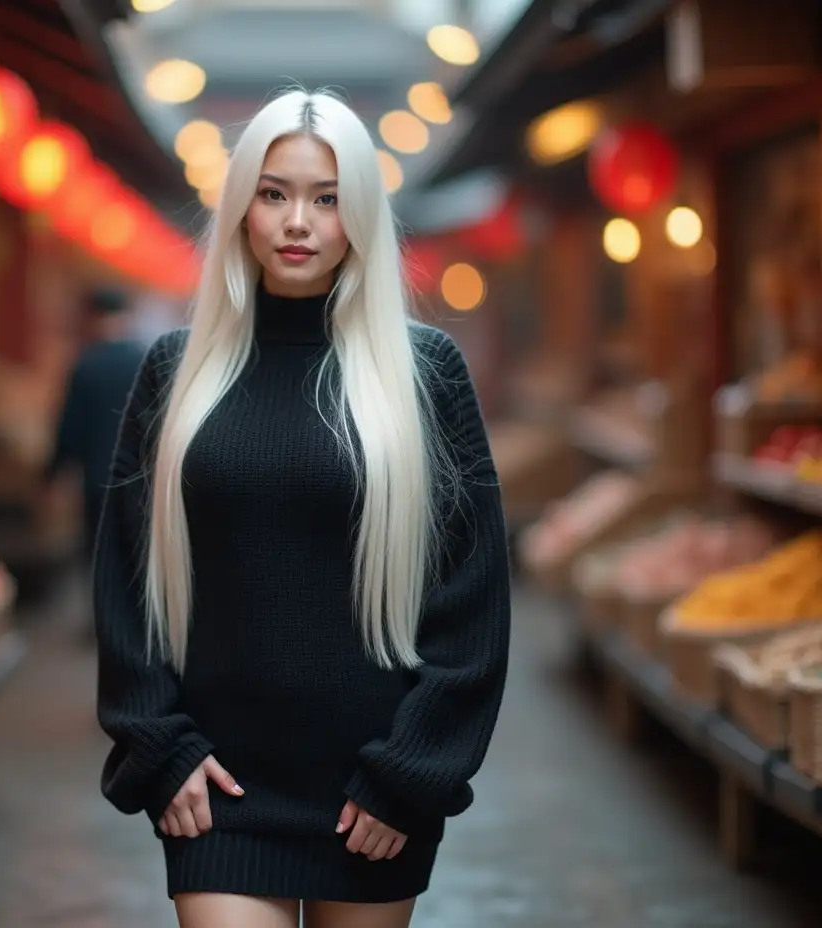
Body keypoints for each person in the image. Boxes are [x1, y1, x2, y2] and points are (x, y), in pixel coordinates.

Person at [93, 88, 512, 928]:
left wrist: (413, 773)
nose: (298, 221)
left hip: (373, 789)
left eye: (327, 199)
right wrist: (159, 747)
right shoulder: (175, 375)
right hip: (218, 783)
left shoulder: (425, 373)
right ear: (242, 207)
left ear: (358, 215)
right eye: (274, 193)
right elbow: (125, 582)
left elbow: (472, 602)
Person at [43, 288, 146, 562]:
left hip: (98, 478)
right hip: (141, 477)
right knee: (137, 557)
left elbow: (70, 427)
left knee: (100, 557)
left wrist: (51, 474)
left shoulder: (86, 365)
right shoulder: (143, 361)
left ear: (93, 317)